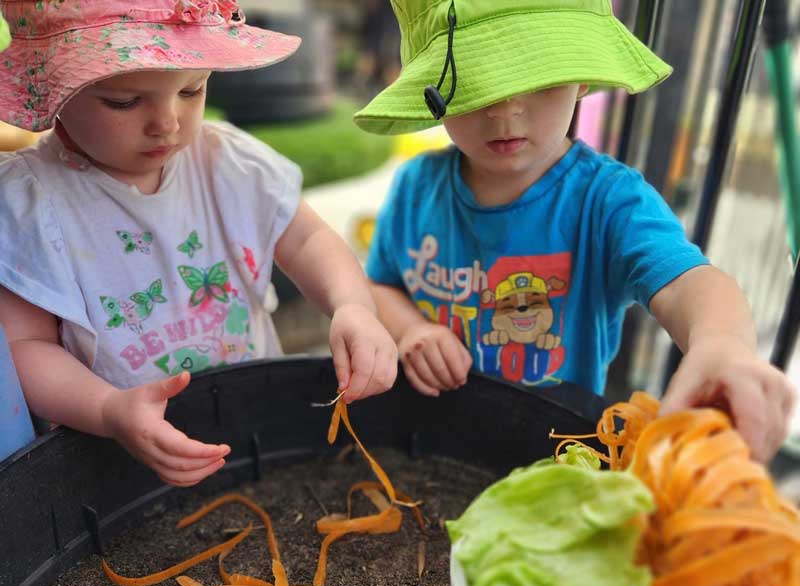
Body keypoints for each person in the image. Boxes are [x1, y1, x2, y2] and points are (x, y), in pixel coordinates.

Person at [354, 0, 795, 463]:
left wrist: (721, 343)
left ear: (581, 77)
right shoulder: (415, 187)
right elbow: (380, 285)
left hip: (554, 454)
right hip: (426, 439)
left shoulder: (607, 201)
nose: (505, 109)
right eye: (470, 79)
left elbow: (691, 283)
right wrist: (410, 331)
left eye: (537, 75)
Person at [0, 0, 398, 487]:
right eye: (125, 101)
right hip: (118, 460)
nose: (167, 121)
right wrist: (108, 409)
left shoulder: (227, 161)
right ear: (54, 88)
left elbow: (308, 237)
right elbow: (25, 347)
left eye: (192, 89)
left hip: (254, 426)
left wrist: (352, 305)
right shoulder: (31, 202)